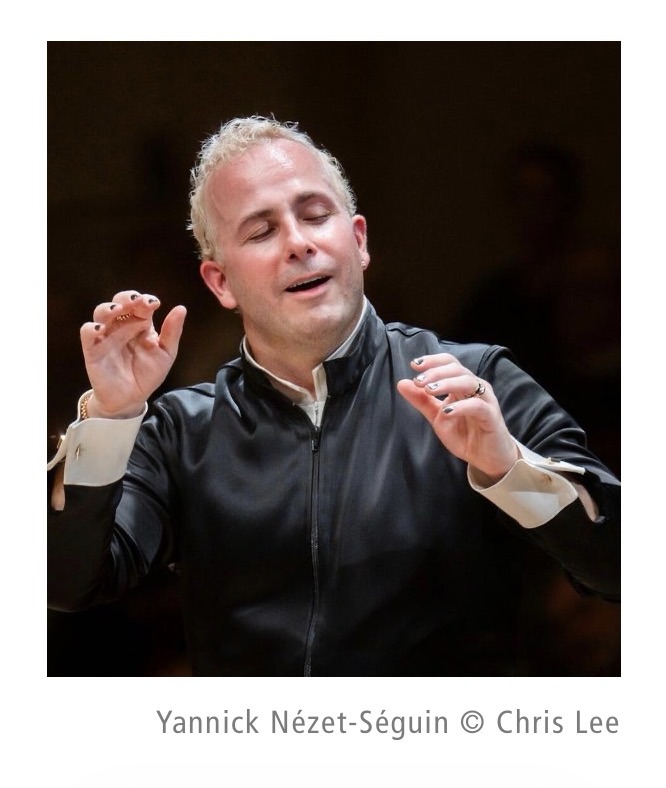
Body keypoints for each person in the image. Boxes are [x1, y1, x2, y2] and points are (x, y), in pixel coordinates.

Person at [47, 116, 620, 677]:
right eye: (261, 231)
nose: (299, 243)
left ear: (359, 240)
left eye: (316, 215)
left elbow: (621, 566)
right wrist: (111, 415)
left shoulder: (474, 382)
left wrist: (507, 467)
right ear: (221, 283)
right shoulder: (183, 430)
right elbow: (63, 583)